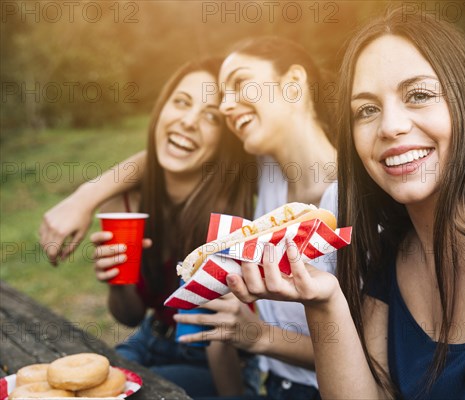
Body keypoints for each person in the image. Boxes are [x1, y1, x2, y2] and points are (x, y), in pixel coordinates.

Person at [224, 7, 465, 400]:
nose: (390, 126)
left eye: (418, 95)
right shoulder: (395, 247)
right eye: (366, 110)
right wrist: (324, 300)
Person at [40, 37, 338, 399]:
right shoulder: (269, 167)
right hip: (190, 350)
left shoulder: (331, 194)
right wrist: (86, 199)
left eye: (238, 87)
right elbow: (161, 151)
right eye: (181, 102)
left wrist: (258, 337)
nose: (227, 106)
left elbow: (374, 360)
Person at [42, 57, 256, 398]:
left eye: (211, 116)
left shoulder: (234, 213)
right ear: (162, 108)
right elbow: (128, 315)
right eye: (182, 102)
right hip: (147, 339)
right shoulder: (123, 205)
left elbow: (220, 345)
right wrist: (117, 280)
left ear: (225, 137)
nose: (188, 122)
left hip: (213, 362)